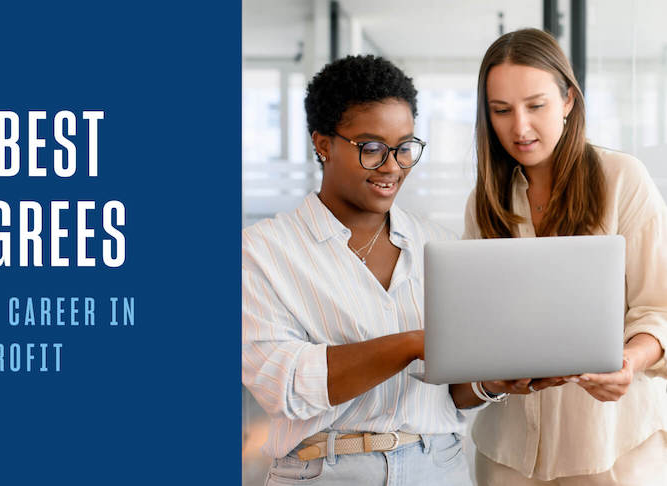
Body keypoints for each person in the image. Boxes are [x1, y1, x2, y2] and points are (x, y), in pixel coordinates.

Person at [242, 55, 476, 485]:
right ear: (323, 144)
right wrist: (411, 344)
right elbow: (286, 387)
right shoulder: (263, 252)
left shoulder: (439, 245)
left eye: (405, 147)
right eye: (371, 148)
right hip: (325, 470)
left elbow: (455, 392)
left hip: (438, 466)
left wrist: (495, 381)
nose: (392, 166)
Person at [461, 28, 667, 485]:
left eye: (536, 106)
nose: (519, 127)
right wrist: (494, 373)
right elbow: (477, 324)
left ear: (568, 101)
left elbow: (659, 307)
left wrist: (629, 362)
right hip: (506, 456)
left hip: (612, 451)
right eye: (501, 111)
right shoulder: (485, 200)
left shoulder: (622, 179)